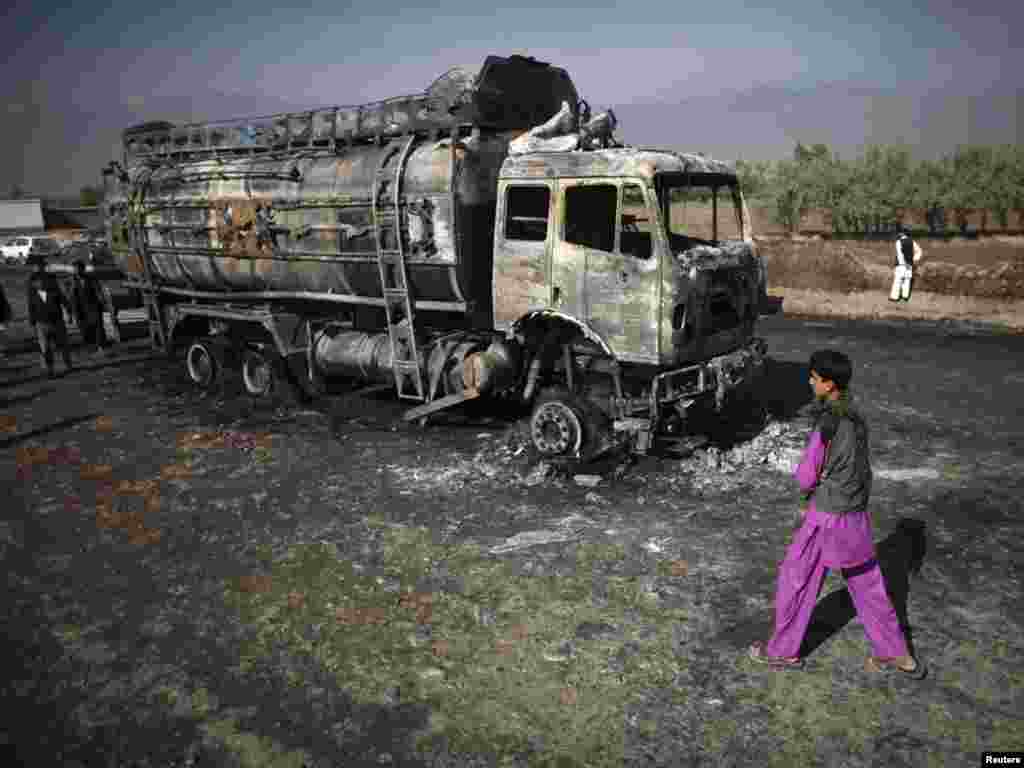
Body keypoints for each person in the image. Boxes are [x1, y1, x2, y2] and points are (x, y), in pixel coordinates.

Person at [749, 349, 925, 678]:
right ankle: (898, 655)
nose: (810, 382)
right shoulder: (857, 417)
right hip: (855, 515)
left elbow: (806, 476)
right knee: (868, 586)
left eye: (814, 378)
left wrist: (808, 486)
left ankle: (782, 651)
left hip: (826, 517)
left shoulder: (827, 423)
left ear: (829, 384)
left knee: (796, 578)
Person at [26, 255, 74, 377]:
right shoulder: (31, 280)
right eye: (36, 266)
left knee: (63, 344)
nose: (38, 267)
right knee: (45, 348)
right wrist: (32, 319)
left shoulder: (51, 280)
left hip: (56, 318)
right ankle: (49, 369)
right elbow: (30, 302)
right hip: (41, 320)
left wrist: (68, 311)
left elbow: (61, 296)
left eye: (40, 265)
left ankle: (68, 365)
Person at [72, 260, 112, 356]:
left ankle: (101, 347)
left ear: (83, 269)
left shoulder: (91, 278)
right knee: (86, 328)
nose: (77, 271)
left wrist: (102, 301)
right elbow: (73, 296)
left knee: (98, 326)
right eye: (75, 269)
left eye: (78, 269)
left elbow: (97, 290)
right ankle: (93, 347)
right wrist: (74, 311)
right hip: (82, 308)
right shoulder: (74, 281)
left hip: (93, 306)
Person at [890, 230, 922, 302]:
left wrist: (904, 263)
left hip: (901, 265)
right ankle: (905, 297)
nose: (898, 234)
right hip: (909, 265)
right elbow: (919, 251)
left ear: (902, 234)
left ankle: (894, 297)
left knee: (898, 280)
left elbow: (900, 254)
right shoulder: (912, 241)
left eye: (900, 233)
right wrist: (913, 260)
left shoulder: (898, 242)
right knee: (907, 280)